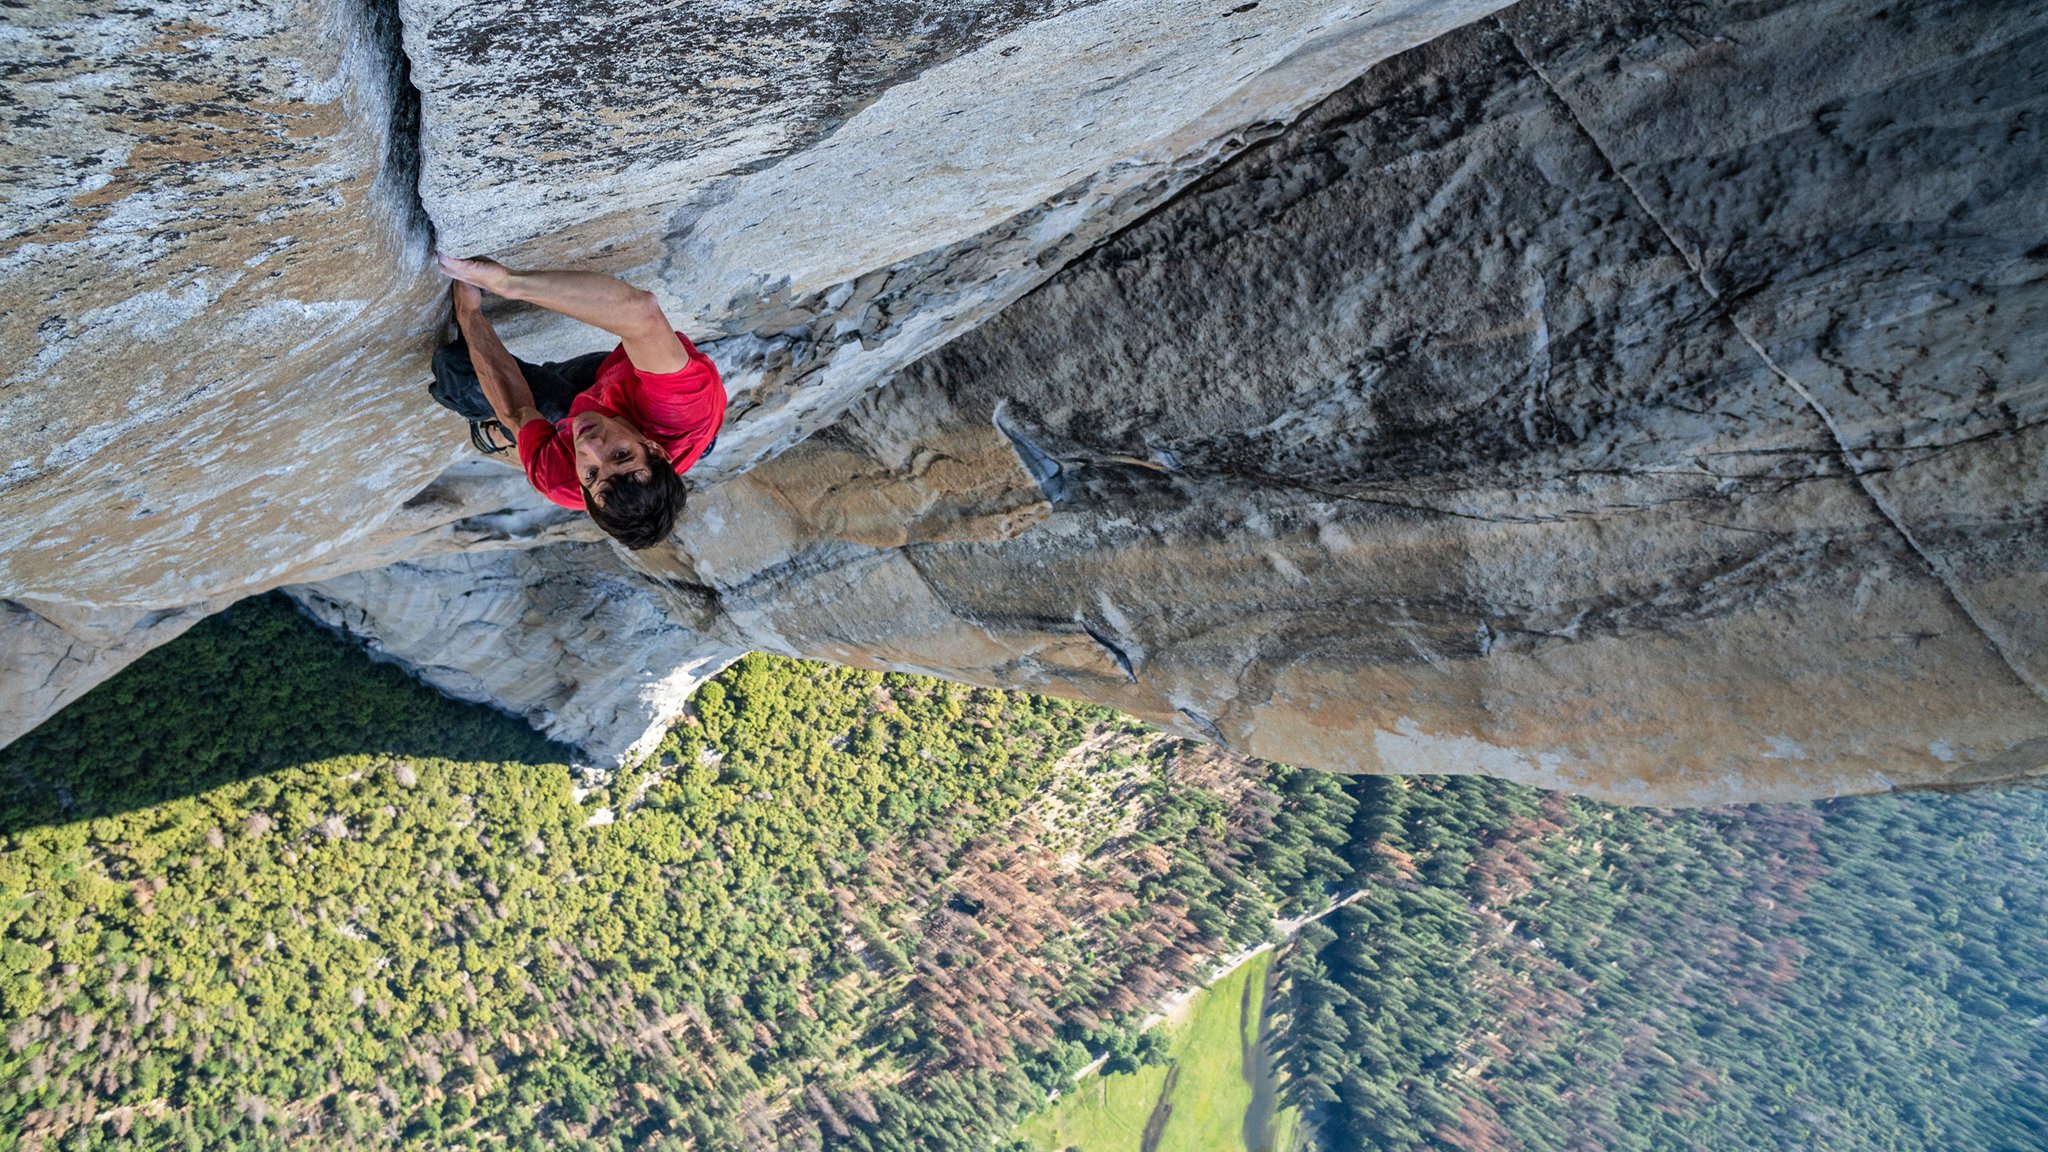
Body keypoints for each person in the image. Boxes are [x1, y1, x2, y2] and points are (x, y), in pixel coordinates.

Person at [428, 254, 725, 551]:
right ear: (653, 448)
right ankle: (700, 445)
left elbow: (517, 412)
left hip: (609, 404)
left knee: (457, 372)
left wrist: (469, 313)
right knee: (568, 388)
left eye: (593, 474)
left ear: (583, 492)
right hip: (627, 393)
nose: (591, 446)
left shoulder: (561, 480)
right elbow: (642, 315)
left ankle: (497, 436)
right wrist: (507, 282)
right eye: (621, 454)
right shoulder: (679, 411)